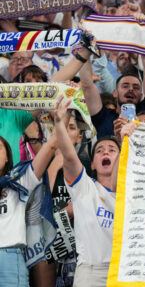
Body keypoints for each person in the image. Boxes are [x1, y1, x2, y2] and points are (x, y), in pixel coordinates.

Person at [53, 97, 120, 287]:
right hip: (90, 272)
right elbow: (68, 155)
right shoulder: (84, 187)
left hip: (123, 272)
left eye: (112, 150)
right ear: (92, 164)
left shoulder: (131, 192)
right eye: (99, 150)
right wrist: (59, 123)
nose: (105, 153)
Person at [0, 132, 56, 286]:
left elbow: (51, 146)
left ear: (7, 158)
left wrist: (61, 118)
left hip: (8, 260)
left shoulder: (19, 183)